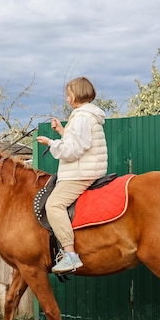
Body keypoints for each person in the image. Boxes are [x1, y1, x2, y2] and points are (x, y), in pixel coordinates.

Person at [36, 77, 108, 273]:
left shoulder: (82, 117)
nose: (67, 99)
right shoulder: (86, 115)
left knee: (54, 205)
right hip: (86, 168)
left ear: (77, 94)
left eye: (69, 95)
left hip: (81, 173)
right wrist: (61, 130)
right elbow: (78, 142)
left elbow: (72, 151)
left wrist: (50, 143)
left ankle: (70, 256)